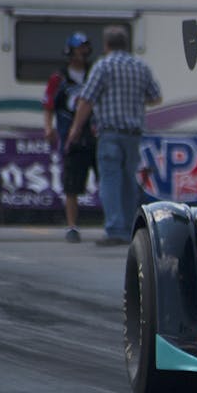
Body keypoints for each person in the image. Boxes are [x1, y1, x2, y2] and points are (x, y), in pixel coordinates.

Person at [65, 25, 162, 246]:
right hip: (133, 134)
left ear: (106, 44)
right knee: (129, 181)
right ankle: (129, 228)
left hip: (109, 132)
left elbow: (87, 99)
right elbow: (156, 96)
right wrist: (135, 99)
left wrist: (75, 128)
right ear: (126, 44)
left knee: (110, 180)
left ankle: (114, 229)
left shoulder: (103, 66)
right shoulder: (140, 66)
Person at [42, 32, 97, 243]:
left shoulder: (94, 73)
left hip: (94, 134)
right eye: (79, 48)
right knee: (71, 185)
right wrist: (49, 128)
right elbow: (48, 106)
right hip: (70, 137)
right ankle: (72, 226)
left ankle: (113, 223)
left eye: (85, 48)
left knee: (105, 179)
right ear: (70, 51)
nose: (83, 52)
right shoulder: (59, 78)